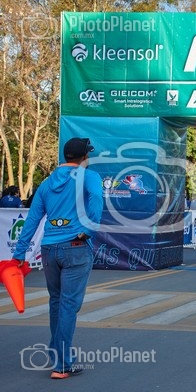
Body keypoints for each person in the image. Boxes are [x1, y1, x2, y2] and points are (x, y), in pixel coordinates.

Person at [12, 137, 103, 379]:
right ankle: (62, 364)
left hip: (49, 250)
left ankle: (58, 354)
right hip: (76, 246)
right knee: (68, 305)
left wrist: (20, 253)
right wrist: (90, 228)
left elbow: (32, 219)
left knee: (56, 302)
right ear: (85, 157)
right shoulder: (89, 176)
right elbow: (97, 199)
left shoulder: (47, 183)